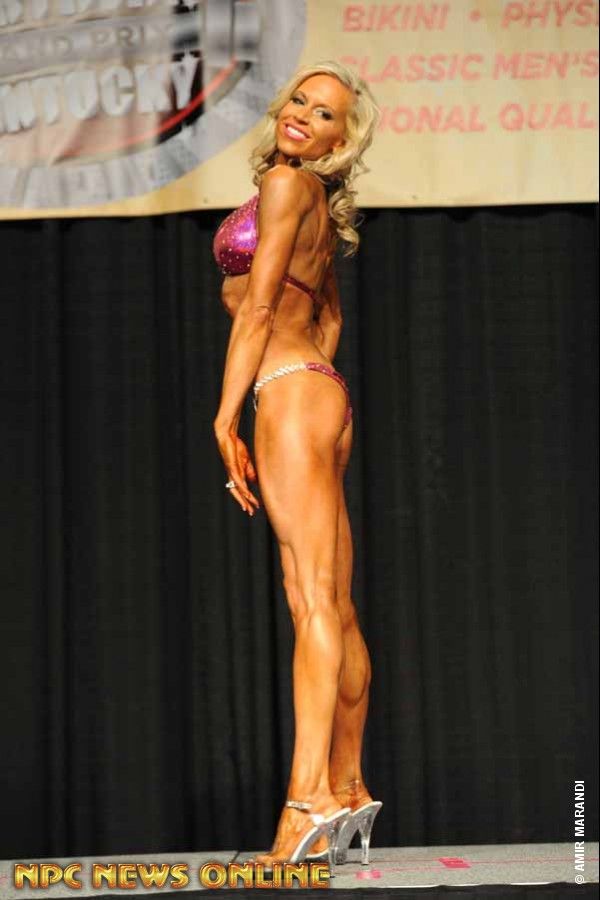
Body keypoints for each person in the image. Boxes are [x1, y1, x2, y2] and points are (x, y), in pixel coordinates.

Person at [212, 60, 381, 870]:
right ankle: (348, 787)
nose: (304, 116)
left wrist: (227, 416)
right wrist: (319, 386)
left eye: (325, 115)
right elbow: (330, 315)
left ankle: (306, 798)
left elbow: (260, 308)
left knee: (309, 597)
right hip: (319, 390)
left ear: (338, 140)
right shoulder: (309, 198)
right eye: (301, 101)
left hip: (288, 389)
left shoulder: (287, 186)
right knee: (334, 606)